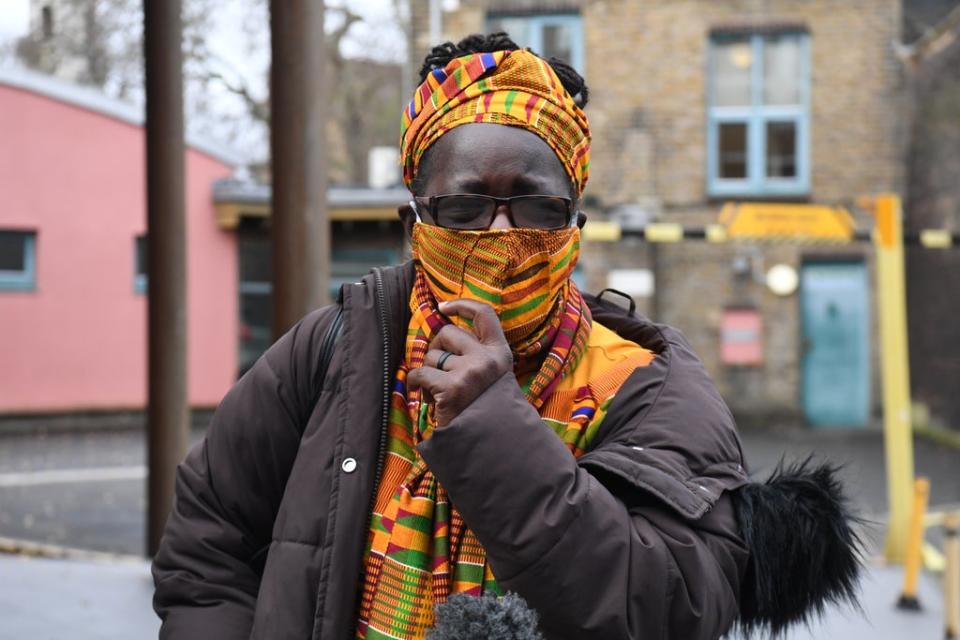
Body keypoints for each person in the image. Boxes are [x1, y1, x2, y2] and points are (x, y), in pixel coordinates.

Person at [153, 34, 861, 640]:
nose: (500, 234)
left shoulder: (649, 388)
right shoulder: (336, 346)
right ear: (415, 227)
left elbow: (674, 606)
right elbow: (208, 540)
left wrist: (494, 427)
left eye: (534, 206)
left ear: (574, 228)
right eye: (464, 207)